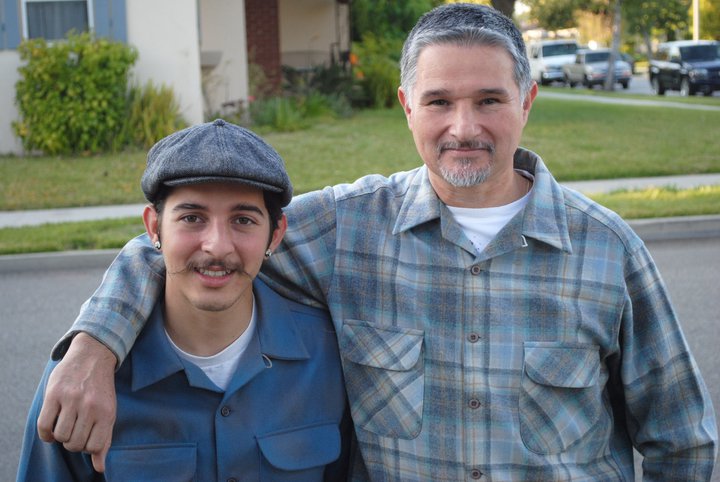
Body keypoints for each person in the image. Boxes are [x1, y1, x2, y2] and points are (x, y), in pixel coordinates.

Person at [37, 3, 717, 481]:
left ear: (527, 102)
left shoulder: (608, 250)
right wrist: (95, 345)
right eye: (439, 102)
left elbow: (681, 441)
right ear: (404, 105)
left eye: (489, 100)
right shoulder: (344, 229)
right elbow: (198, 243)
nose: (463, 127)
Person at [18, 119, 351, 480]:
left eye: (243, 220)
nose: (218, 246)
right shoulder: (81, 377)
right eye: (192, 217)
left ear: (275, 235)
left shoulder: (327, 357)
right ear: (153, 228)